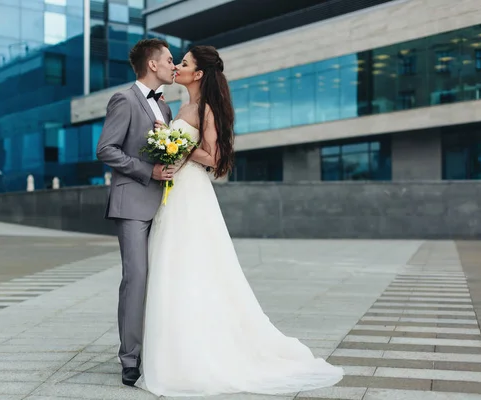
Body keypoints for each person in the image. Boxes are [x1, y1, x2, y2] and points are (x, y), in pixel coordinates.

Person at [135, 45, 344, 397]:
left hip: (192, 195)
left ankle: (197, 352)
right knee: (171, 267)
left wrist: (176, 145)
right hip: (174, 194)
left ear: (198, 74)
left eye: (183, 63)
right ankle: (173, 348)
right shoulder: (180, 106)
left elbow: (213, 159)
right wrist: (169, 139)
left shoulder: (206, 109)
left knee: (191, 266)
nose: (178, 68)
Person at [95, 38, 177, 387]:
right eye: (171, 60)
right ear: (153, 64)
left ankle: (159, 350)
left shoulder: (166, 107)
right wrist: (149, 171)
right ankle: (130, 358)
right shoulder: (124, 99)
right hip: (131, 204)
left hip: (165, 204)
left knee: (161, 281)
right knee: (137, 279)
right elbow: (106, 149)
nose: (175, 65)